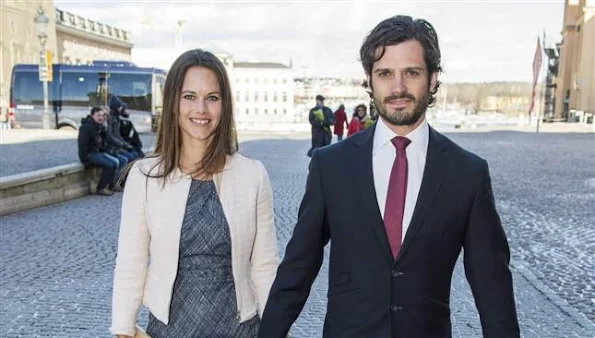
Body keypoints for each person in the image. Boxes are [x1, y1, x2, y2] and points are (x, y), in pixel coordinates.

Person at [259, 15, 520, 338]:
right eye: (385, 74)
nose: (398, 87)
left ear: (433, 78)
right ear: (369, 80)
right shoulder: (331, 166)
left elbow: (492, 285)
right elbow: (298, 268)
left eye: (411, 72)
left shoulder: (467, 173)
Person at [111, 49, 279, 338]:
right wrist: (124, 329)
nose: (200, 109)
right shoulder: (144, 177)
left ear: (224, 106)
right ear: (173, 102)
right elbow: (131, 263)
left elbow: (264, 266)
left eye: (212, 98)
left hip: (240, 330)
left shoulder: (253, 175)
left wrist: (278, 329)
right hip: (169, 329)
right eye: (189, 96)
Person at [77, 107, 124, 196]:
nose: (101, 118)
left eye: (102, 115)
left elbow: (103, 142)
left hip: (98, 152)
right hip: (90, 154)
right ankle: (101, 188)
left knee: (116, 162)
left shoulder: (99, 126)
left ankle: (111, 185)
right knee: (110, 165)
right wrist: (84, 160)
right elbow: (82, 145)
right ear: (92, 115)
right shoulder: (86, 127)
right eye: (98, 115)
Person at [106, 96, 140, 161]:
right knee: (131, 157)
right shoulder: (111, 119)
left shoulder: (116, 118)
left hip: (118, 146)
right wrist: (123, 145)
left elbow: (117, 135)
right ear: (115, 107)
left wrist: (125, 144)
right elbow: (110, 136)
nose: (121, 108)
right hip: (113, 148)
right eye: (120, 107)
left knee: (135, 154)